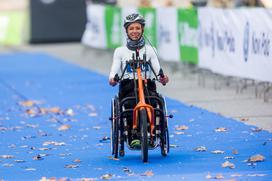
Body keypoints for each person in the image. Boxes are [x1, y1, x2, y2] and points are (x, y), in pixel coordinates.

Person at [109, 13, 169, 147]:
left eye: (137, 28)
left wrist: (163, 78)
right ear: (126, 31)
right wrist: (112, 78)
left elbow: (158, 70)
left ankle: (152, 133)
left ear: (142, 30)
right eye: (131, 28)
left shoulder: (151, 50)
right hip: (128, 85)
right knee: (129, 105)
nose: (134, 31)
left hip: (148, 85)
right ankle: (132, 135)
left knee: (154, 103)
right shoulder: (120, 51)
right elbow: (114, 71)